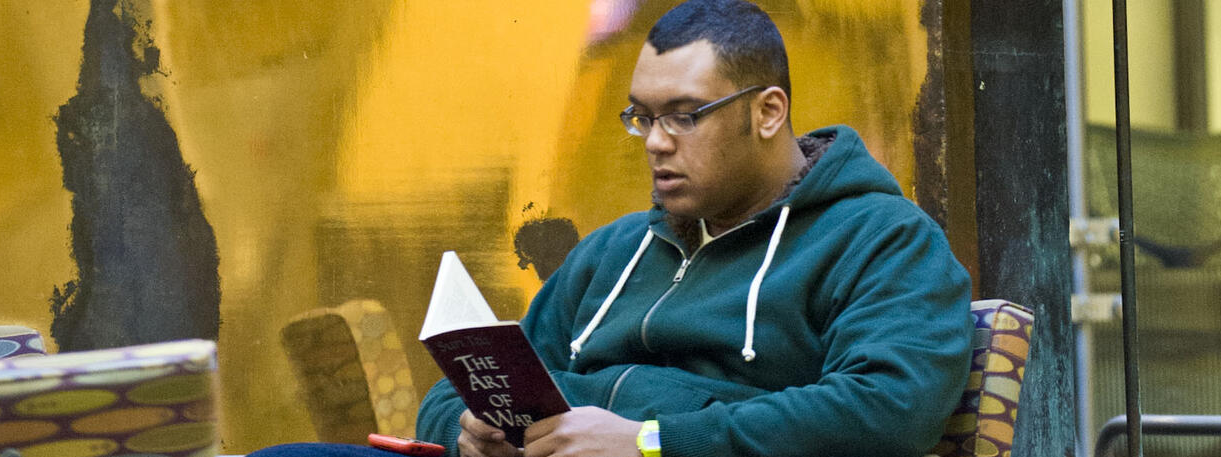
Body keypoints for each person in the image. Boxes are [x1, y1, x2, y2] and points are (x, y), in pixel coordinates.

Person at [252, 0, 970, 456]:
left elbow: (887, 411)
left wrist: (649, 443)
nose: (655, 142)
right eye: (642, 117)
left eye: (683, 116)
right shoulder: (616, 250)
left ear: (768, 112)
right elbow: (457, 391)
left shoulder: (881, 239)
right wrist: (467, 434)